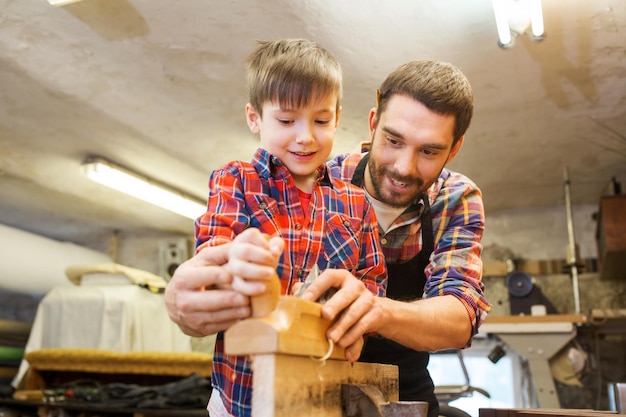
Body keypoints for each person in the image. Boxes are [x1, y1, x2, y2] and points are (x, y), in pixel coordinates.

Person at [165, 59, 491, 417]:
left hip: (398, 389)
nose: (404, 167)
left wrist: (376, 309)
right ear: (372, 123)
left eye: (429, 151)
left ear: (454, 148)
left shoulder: (457, 197)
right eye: (393, 140)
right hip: (304, 383)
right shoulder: (317, 177)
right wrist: (185, 300)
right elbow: (216, 266)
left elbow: (461, 317)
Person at [189, 38, 387, 417]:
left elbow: (372, 283)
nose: (305, 136)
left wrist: (358, 320)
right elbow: (211, 261)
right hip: (241, 396)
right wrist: (237, 268)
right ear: (254, 118)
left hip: (323, 395)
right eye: (286, 120)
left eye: (321, 120)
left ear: (338, 118)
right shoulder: (236, 181)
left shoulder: (356, 203)